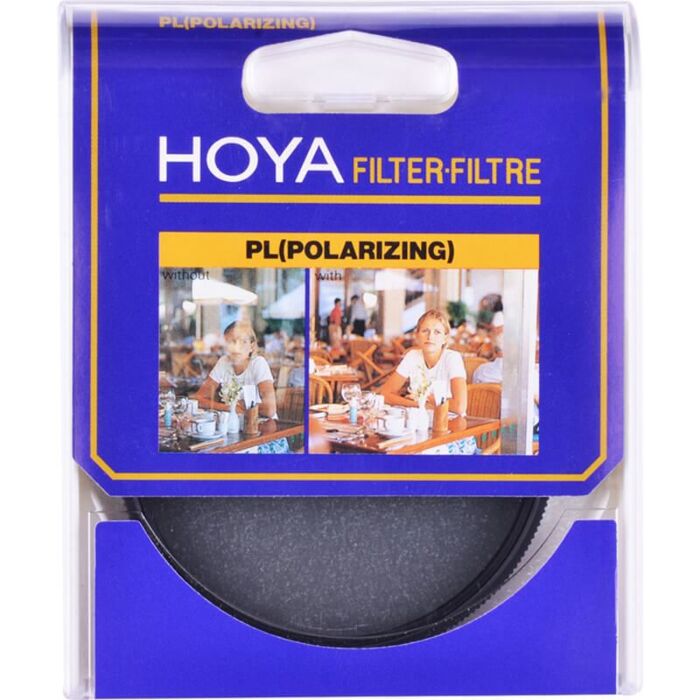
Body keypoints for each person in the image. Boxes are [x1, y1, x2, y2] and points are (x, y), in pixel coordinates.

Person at [380, 309, 467, 415]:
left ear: (445, 338)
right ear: (417, 335)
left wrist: (426, 401)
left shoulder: (452, 358)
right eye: (425, 331)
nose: (430, 337)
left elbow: (460, 407)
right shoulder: (412, 356)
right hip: (419, 419)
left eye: (437, 332)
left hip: (449, 421)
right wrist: (419, 404)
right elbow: (385, 394)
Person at [194, 320, 277, 418]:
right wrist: (229, 408)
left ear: (252, 346)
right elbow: (198, 399)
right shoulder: (223, 362)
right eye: (231, 342)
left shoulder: (258, 363)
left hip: (262, 423)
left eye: (243, 342)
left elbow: (269, 410)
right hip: (234, 423)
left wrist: (239, 408)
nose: (237, 347)